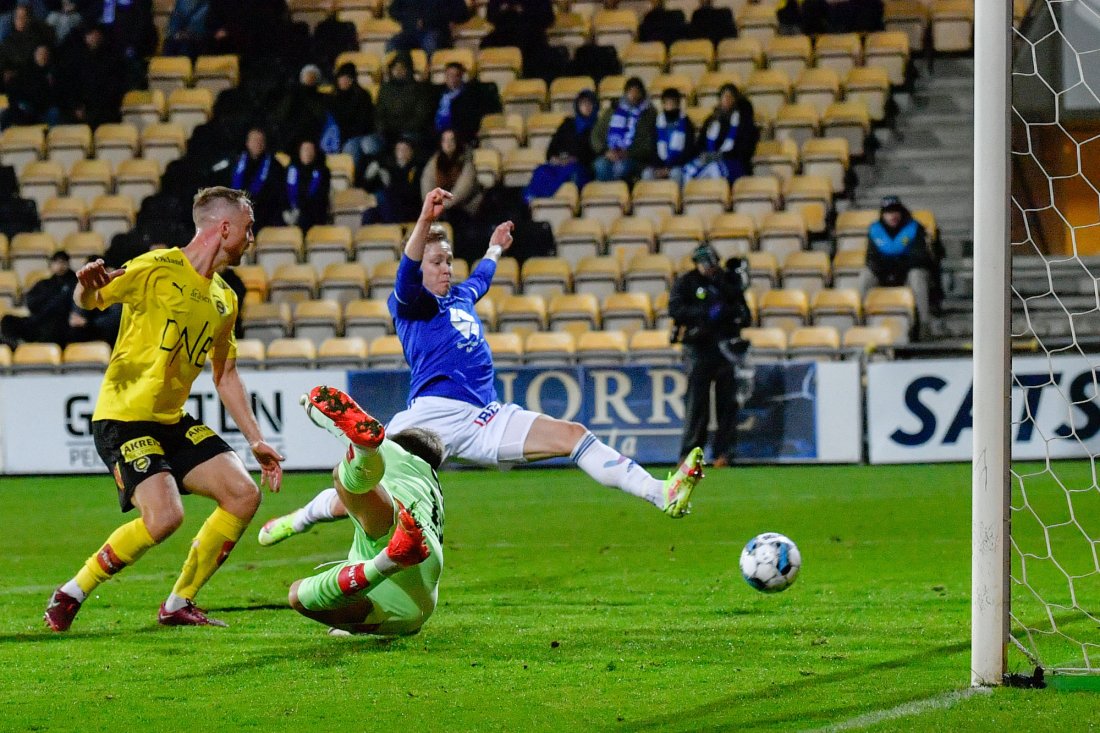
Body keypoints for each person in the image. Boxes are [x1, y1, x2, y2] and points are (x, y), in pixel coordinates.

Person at [257, 188, 706, 547]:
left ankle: (661, 493)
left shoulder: (460, 297)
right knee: (369, 496)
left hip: (486, 416)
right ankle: (300, 519)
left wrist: (493, 249)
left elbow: (482, 279)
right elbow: (406, 272)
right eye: (437, 261)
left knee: (572, 435)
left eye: (449, 260)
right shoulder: (409, 304)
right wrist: (425, 220)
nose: (446, 268)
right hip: (431, 417)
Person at [43, 186, 285, 632]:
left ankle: (179, 603)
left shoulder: (224, 299)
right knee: (165, 517)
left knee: (243, 494)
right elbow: (92, 299)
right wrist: (83, 287)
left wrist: (256, 439)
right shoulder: (156, 267)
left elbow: (226, 375)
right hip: (123, 416)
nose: (252, 239)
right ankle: (72, 591)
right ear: (225, 227)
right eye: (248, 229)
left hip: (170, 421)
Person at [287, 386, 442, 636]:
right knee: (298, 595)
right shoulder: (433, 487)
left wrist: (309, 407)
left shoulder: (399, 453)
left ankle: (386, 561)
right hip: (416, 607)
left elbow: (336, 425)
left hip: (396, 527)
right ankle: (383, 568)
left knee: (342, 475)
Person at [668, 245, 753, 469]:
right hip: (699, 347)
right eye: (704, 263)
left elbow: (742, 312)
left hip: (725, 348)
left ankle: (723, 453)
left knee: (727, 404)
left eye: (711, 263)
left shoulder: (726, 282)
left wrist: (731, 284)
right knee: (697, 404)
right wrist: (704, 314)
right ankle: (689, 455)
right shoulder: (687, 282)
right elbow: (675, 309)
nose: (708, 268)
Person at [860, 195, 937, 339]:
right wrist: (889, 267)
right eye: (888, 212)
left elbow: (920, 258)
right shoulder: (875, 231)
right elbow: (871, 259)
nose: (892, 216)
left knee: (917, 275)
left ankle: (924, 325)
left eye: (895, 211)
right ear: (883, 214)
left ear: (901, 212)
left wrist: (895, 263)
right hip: (883, 275)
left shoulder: (914, 228)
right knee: (865, 275)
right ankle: (861, 322)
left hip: (907, 275)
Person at [523, 88, 598, 202]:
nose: (587, 107)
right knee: (542, 170)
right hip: (560, 163)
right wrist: (555, 158)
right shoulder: (567, 124)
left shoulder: (597, 126)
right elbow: (553, 147)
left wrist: (573, 159)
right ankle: (533, 201)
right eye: (583, 103)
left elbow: (594, 152)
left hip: (582, 166)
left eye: (589, 104)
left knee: (572, 174)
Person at [684, 83, 758, 184]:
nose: (726, 100)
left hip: (734, 163)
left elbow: (744, 151)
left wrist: (718, 156)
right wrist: (706, 156)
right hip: (709, 159)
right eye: (724, 96)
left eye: (730, 96)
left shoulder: (744, 122)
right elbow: (700, 145)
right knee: (687, 169)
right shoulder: (711, 120)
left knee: (714, 169)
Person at [0, 250, 76, 347]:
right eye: (56, 262)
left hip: (59, 325)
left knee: (55, 325)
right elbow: (31, 302)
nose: (60, 265)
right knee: (7, 320)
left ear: (68, 264)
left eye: (63, 262)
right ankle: (17, 346)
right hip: (37, 322)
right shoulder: (44, 284)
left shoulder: (74, 283)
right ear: (51, 265)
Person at [590, 76, 657, 183]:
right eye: (630, 92)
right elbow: (596, 135)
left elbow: (649, 143)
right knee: (600, 165)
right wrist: (605, 151)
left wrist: (628, 153)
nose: (633, 96)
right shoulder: (612, 111)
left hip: (634, 158)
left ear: (642, 94)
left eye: (637, 92)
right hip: (610, 154)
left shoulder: (649, 114)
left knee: (621, 167)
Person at [370, 49, 435, 155]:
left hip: (411, 133)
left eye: (401, 68)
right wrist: (384, 129)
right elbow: (379, 114)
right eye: (395, 68)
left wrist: (397, 129)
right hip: (387, 133)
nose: (398, 71)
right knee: (369, 144)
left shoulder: (419, 89)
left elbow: (420, 117)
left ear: (408, 69)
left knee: (404, 143)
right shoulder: (385, 89)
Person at [224, 126, 286, 229]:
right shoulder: (235, 162)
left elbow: (277, 193)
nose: (257, 144)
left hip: (264, 213)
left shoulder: (275, 166)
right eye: (254, 140)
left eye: (260, 141)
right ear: (247, 143)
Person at [431, 61, 502, 145]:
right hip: (437, 134)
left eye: (455, 76)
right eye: (449, 75)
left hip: (458, 135)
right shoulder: (437, 93)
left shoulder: (469, 96)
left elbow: (469, 121)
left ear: (461, 76)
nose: (452, 79)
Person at [419, 128, 482, 222]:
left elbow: (462, 189)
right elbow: (427, 182)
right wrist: (430, 204)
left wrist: (443, 205)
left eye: (451, 140)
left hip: (465, 207)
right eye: (445, 140)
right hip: (440, 208)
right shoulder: (435, 161)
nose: (448, 144)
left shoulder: (467, 160)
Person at [328, 61, 377, 174]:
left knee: (353, 147)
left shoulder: (363, 96)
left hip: (358, 136)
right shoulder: (331, 98)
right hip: (337, 138)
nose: (344, 81)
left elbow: (365, 123)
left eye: (348, 78)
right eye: (341, 78)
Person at [361, 136, 422, 224]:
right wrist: (369, 177)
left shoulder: (416, 168)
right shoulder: (388, 167)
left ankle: (391, 228)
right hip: (389, 206)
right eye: (399, 149)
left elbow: (412, 192)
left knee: (383, 196)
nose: (401, 152)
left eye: (404, 149)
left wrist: (390, 185)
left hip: (407, 207)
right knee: (368, 214)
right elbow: (367, 189)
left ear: (411, 152)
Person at [643, 87, 695, 185]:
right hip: (659, 165)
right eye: (667, 103)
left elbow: (688, 150)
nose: (670, 106)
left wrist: (669, 167)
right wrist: (659, 167)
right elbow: (653, 148)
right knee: (647, 174)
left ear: (678, 104)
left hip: (678, 165)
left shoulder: (686, 123)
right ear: (663, 104)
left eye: (673, 103)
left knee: (676, 174)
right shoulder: (657, 122)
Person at [282, 139, 331, 232]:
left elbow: (321, 197)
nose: (308, 153)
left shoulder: (323, 171)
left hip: (313, 214)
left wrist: (300, 209)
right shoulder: (290, 170)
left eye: (310, 150)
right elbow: (283, 192)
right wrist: (286, 210)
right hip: (292, 211)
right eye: (305, 150)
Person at [386, 0, 468, 55]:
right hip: (410, 33)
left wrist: (430, 19)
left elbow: (462, 12)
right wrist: (412, 19)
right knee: (392, 44)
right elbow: (393, 10)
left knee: (430, 42)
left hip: (436, 31)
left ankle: (428, 76)